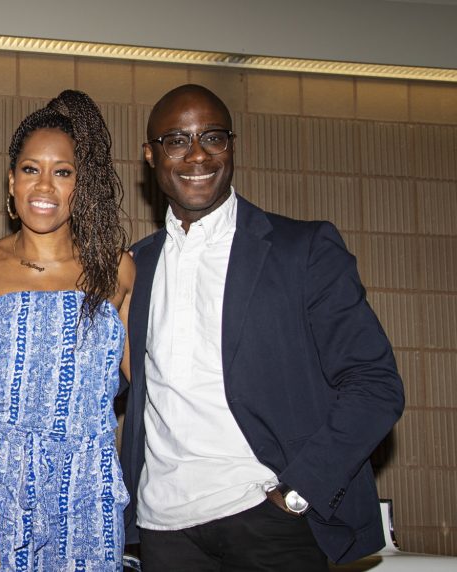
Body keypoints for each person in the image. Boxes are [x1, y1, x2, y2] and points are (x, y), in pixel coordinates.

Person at [120, 84, 405, 570]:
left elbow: (375, 385)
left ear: (232, 146)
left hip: (270, 521)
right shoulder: (134, 268)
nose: (197, 154)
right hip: (163, 531)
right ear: (150, 155)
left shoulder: (303, 248)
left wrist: (297, 495)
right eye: (176, 140)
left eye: (213, 137)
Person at [0, 89, 135, 571]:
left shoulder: (117, 270)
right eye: (30, 169)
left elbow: (147, 381)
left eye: (62, 172)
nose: (44, 186)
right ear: (11, 182)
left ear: (81, 186)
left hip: (88, 486)